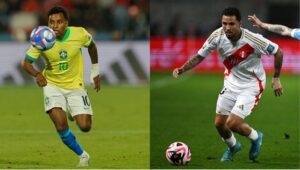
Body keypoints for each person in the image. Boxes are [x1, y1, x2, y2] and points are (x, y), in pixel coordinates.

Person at [173, 7, 283, 162]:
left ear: (240, 23)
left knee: (232, 123)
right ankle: (233, 147)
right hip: (231, 84)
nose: (227, 28)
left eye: (231, 24)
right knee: (219, 124)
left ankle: (256, 137)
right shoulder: (217, 36)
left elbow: (278, 52)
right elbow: (199, 56)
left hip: (251, 86)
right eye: (224, 23)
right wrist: (182, 69)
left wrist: (276, 78)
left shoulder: (253, 39)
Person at [22, 6, 101, 167]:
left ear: (66, 23)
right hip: (52, 85)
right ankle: (83, 155)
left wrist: (95, 71)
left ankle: (73, 111)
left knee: (85, 127)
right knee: (60, 124)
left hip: (75, 86)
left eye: (59, 22)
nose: (55, 26)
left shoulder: (79, 33)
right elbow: (26, 63)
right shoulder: (42, 39)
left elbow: (92, 46)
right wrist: (37, 74)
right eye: (51, 22)